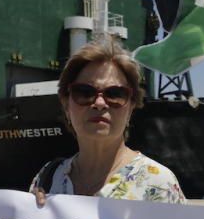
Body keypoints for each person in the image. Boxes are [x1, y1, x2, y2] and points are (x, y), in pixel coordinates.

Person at [30, 37, 185, 204]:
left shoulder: (158, 184)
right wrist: (33, 212)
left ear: (131, 107)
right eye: (84, 92)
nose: (99, 104)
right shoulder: (48, 177)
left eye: (115, 94)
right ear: (66, 104)